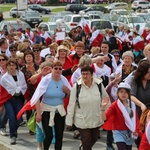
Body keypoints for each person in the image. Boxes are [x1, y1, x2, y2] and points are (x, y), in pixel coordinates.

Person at [66, 65, 110, 150]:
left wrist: (108, 114)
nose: (85, 76)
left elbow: (106, 99)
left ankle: (82, 147)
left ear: (92, 74)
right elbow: (71, 104)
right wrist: (69, 120)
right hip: (82, 119)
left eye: (87, 74)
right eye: (83, 74)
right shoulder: (76, 87)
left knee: (94, 138)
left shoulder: (99, 85)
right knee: (86, 140)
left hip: (96, 118)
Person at [31, 60, 71, 150]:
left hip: (59, 111)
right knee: (48, 136)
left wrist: (68, 92)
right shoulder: (46, 80)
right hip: (46, 110)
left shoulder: (64, 80)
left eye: (60, 69)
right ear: (52, 69)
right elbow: (37, 96)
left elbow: (69, 96)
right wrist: (38, 113)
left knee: (59, 136)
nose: (57, 70)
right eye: (55, 68)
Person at [101, 82, 141, 150]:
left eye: (125, 92)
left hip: (130, 132)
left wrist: (136, 130)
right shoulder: (114, 105)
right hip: (118, 132)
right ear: (118, 93)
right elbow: (104, 118)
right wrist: (102, 108)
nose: (123, 94)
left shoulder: (132, 105)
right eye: (121, 92)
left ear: (129, 94)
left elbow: (135, 119)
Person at [0, 58, 27, 145]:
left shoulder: (21, 74)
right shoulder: (4, 78)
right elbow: (3, 91)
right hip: (9, 99)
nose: (11, 67)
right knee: (11, 117)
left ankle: (14, 130)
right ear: (7, 66)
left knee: (18, 117)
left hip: (19, 98)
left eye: (13, 65)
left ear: (16, 66)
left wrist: (25, 98)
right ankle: (13, 136)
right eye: (9, 65)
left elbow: (24, 86)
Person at [0, 54, 8, 136]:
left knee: (6, 111)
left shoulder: (10, 70)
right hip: (0, 92)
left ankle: (2, 126)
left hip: (8, 93)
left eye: (3, 59)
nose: (1, 61)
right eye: (0, 60)